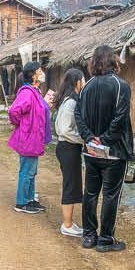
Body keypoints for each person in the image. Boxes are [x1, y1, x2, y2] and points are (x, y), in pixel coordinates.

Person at [74, 44, 133, 251]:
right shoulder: (121, 86)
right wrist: (105, 139)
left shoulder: (86, 87)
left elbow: (78, 115)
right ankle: (106, 239)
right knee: (110, 195)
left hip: (91, 151)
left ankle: (89, 236)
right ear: (112, 60)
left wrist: (90, 138)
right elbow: (120, 117)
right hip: (114, 152)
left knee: (90, 193)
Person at [7, 61, 52, 213]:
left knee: (32, 171)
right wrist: (21, 125)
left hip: (34, 137)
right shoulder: (27, 92)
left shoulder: (35, 91)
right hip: (28, 137)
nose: (42, 73)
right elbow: (14, 111)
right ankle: (21, 202)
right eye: (40, 71)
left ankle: (30, 199)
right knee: (27, 170)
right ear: (33, 76)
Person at [52, 67, 85, 236]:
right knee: (70, 186)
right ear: (77, 82)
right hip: (68, 147)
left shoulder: (67, 100)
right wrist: (83, 139)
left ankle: (70, 222)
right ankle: (67, 224)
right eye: (83, 80)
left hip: (67, 147)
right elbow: (65, 130)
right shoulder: (71, 102)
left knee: (71, 184)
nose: (84, 83)